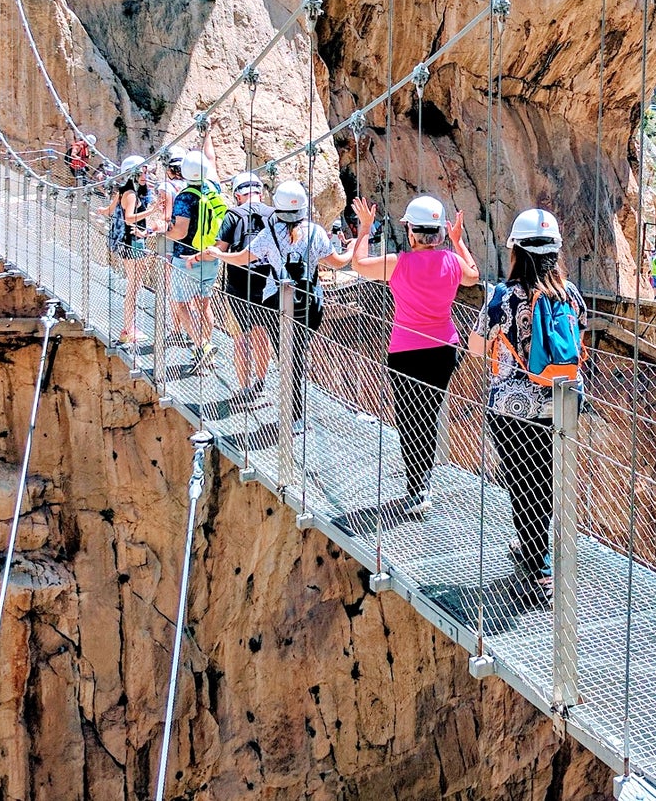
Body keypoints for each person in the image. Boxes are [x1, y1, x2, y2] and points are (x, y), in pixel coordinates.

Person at [469, 208, 584, 600]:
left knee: (521, 483)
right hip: (562, 402)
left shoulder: (503, 297)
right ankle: (536, 549)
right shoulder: (571, 294)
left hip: (512, 407)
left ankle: (541, 567)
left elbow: (475, 346)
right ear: (555, 252)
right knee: (546, 482)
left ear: (515, 251)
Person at [351, 194, 480, 517]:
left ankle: (417, 486)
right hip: (445, 349)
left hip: (406, 350)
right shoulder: (452, 260)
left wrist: (365, 228)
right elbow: (473, 275)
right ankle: (424, 481)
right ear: (438, 233)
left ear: (412, 233)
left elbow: (358, 265)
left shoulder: (399, 263)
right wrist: (459, 242)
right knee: (429, 414)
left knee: (409, 419)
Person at [197, 180, 352, 432]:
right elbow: (338, 263)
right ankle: (297, 412)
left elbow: (241, 258)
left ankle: (294, 414)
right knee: (297, 354)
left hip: (276, 304)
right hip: (310, 304)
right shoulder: (315, 232)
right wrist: (355, 244)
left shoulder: (269, 233)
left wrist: (218, 254)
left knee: (286, 357)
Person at [164, 149, 228, 363]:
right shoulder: (213, 188)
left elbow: (180, 231)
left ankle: (202, 345)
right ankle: (205, 352)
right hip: (210, 255)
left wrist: (163, 232)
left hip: (186, 259)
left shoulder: (185, 197)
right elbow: (212, 160)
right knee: (204, 305)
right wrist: (207, 135)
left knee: (182, 304)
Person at [217, 172, 276, 404]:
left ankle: (243, 387)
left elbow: (221, 248)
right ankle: (260, 383)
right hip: (268, 284)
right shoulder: (273, 215)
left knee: (241, 338)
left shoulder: (233, 214)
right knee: (262, 334)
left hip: (238, 284)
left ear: (238, 196)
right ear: (260, 193)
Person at [95, 155, 153, 344]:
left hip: (130, 242)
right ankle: (128, 329)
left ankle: (129, 328)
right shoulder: (131, 194)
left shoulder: (123, 191)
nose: (146, 174)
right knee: (134, 287)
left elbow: (110, 210)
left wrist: (102, 212)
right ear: (133, 174)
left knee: (134, 284)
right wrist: (151, 212)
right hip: (132, 242)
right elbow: (129, 218)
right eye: (142, 172)